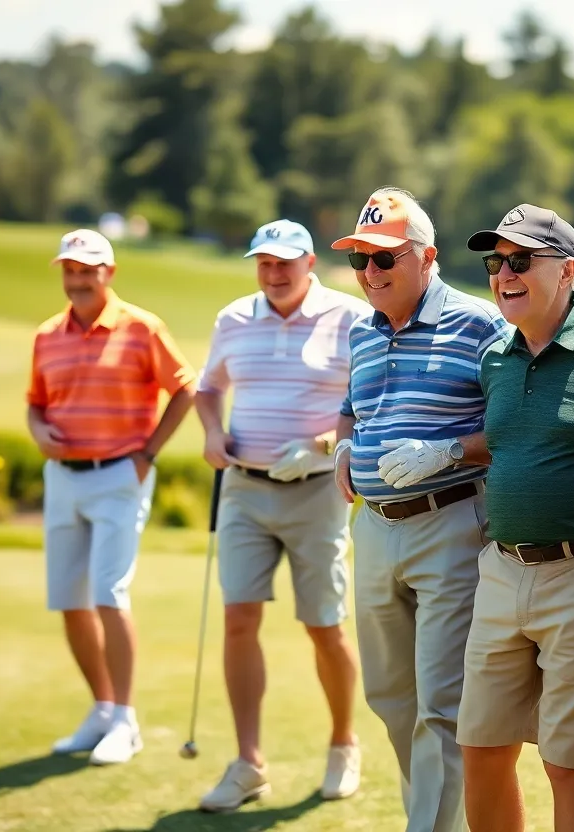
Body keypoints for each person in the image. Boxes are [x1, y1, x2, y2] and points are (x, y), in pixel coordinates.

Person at [455, 204, 574, 832]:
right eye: (495, 262)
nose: (503, 274)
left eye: (520, 261)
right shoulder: (495, 358)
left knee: (568, 761)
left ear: (567, 271)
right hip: (502, 573)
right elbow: (507, 442)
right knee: (479, 748)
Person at [332, 187, 509, 831]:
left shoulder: (482, 324)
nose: (369, 275)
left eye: (384, 261)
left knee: (440, 702)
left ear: (426, 258)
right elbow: (355, 405)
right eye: (361, 262)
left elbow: (519, 421)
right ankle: (437, 819)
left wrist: (447, 451)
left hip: (451, 519)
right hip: (374, 529)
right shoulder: (362, 329)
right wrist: (345, 443)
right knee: (390, 699)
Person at [192, 220, 372, 811]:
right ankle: (249, 763)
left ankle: (344, 742)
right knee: (238, 618)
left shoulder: (349, 318)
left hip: (316, 492)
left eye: (284, 262)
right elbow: (208, 388)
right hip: (244, 487)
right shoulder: (233, 318)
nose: (273, 273)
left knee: (323, 623)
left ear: (309, 263)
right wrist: (213, 434)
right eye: (264, 262)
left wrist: (322, 445)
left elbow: (367, 405)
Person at [27, 228, 196, 765]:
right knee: (70, 602)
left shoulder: (142, 328)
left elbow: (185, 387)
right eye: (70, 270)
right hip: (63, 477)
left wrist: (146, 455)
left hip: (120, 475)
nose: (78, 279)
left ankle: (125, 720)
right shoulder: (47, 334)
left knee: (107, 594)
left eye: (88, 269)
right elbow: (35, 402)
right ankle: (101, 709)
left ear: (109, 272)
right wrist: (36, 431)